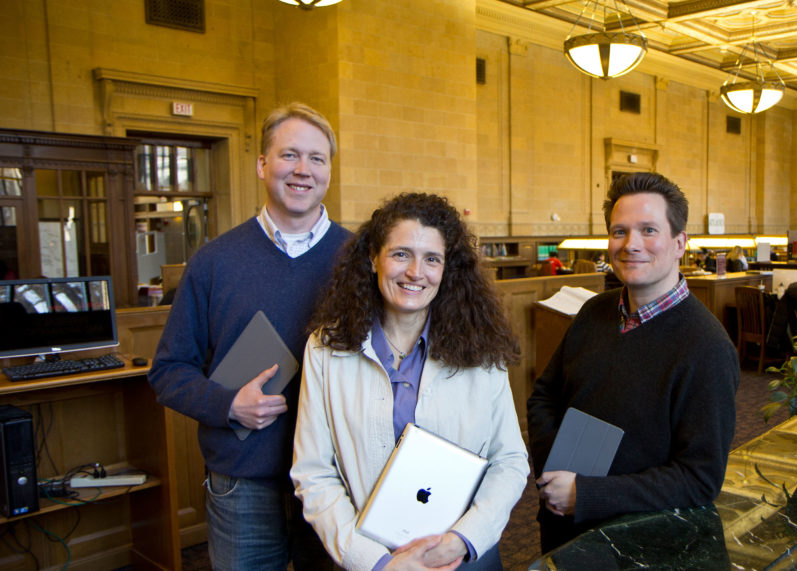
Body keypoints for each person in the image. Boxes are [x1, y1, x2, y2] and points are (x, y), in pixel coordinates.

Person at [148, 102, 352, 570]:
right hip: (243, 481)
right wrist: (227, 405)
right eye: (289, 155)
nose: (303, 170)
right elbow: (168, 370)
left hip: (337, 477)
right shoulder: (214, 261)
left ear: (329, 172)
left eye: (317, 159)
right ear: (262, 164)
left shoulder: (359, 259)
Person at [291, 193, 529, 571]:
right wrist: (375, 562)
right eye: (401, 254)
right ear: (373, 257)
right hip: (369, 557)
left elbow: (510, 461)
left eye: (431, 258)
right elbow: (313, 473)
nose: (416, 272)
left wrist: (462, 540)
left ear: (446, 269)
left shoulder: (481, 349)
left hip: (463, 555)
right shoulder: (325, 348)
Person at [527, 172, 739, 552]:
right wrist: (553, 472)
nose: (631, 245)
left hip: (638, 543)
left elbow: (699, 478)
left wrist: (587, 493)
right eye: (619, 231)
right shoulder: (593, 312)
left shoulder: (707, 347)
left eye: (648, 230)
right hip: (563, 527)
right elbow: (543, 396)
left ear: (680, 243)